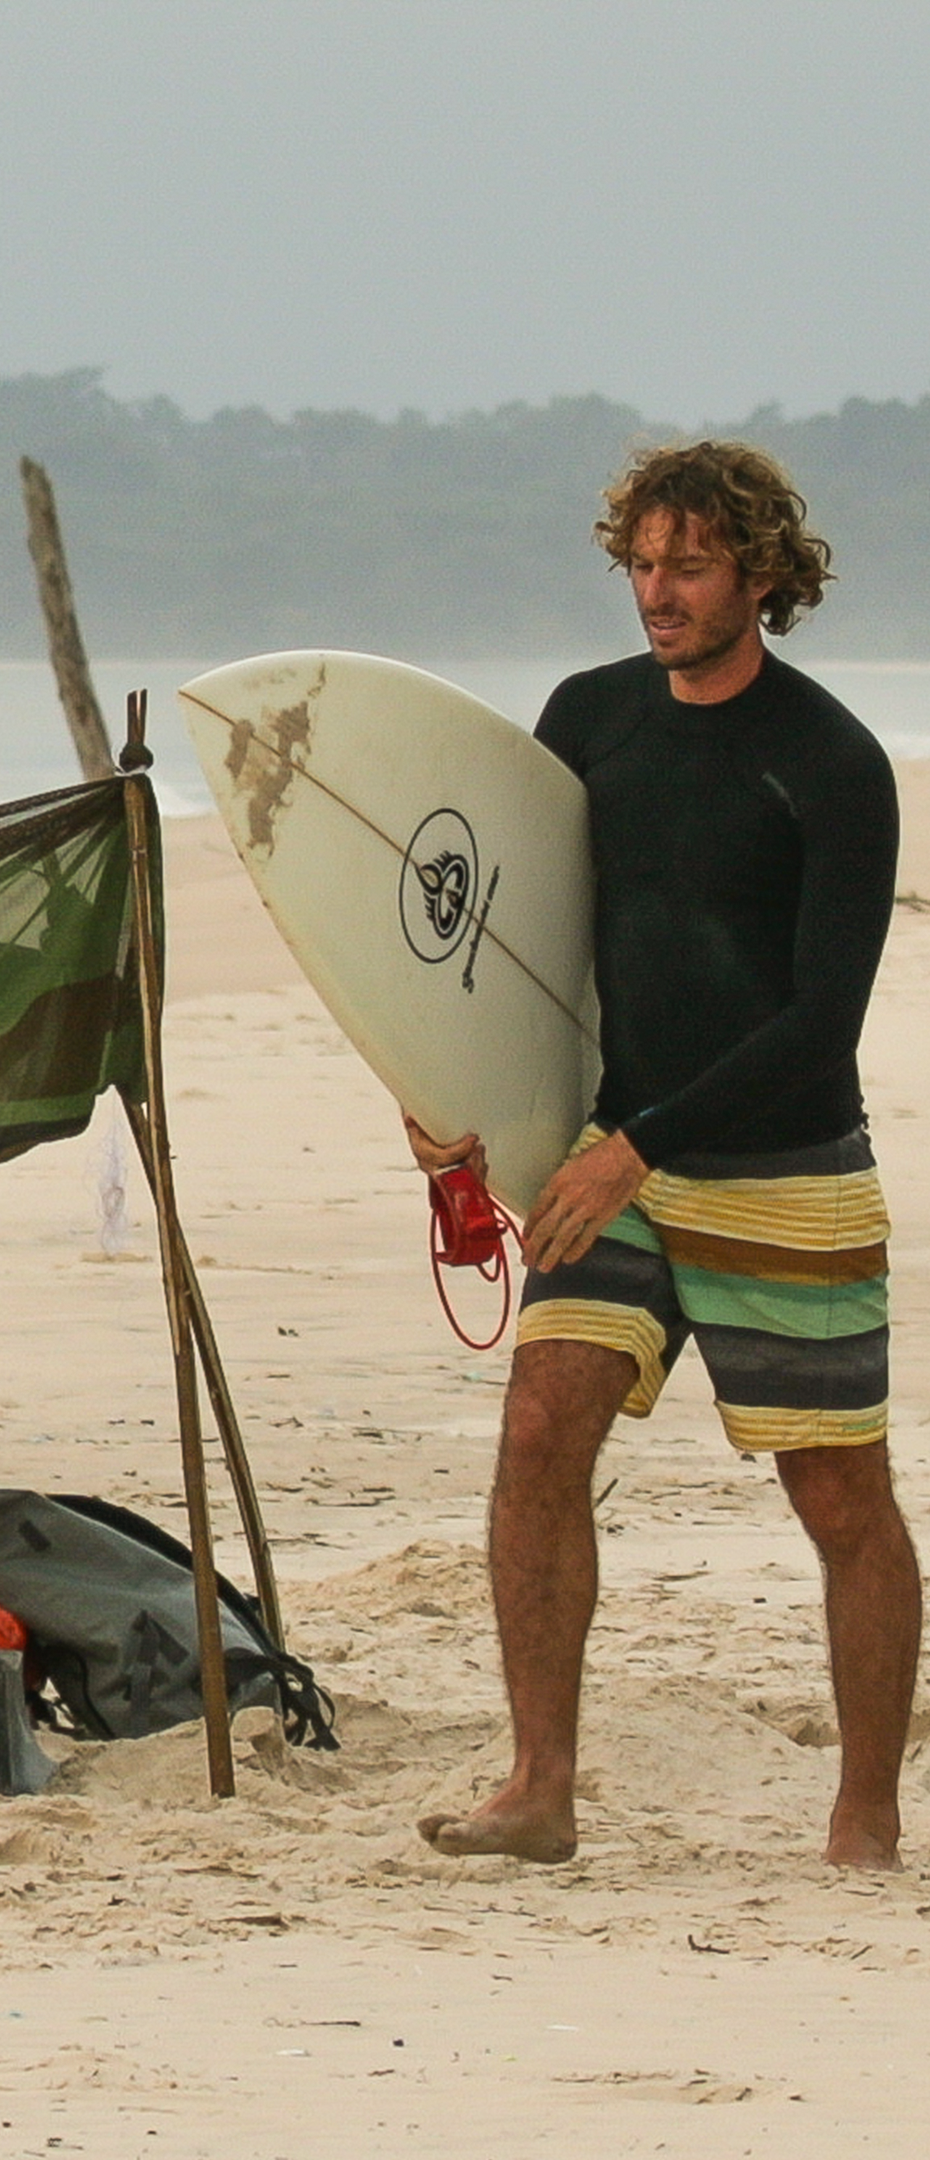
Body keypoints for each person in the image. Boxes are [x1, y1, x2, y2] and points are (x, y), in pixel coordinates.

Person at [410, 441, 914, 1870]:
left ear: (760, 573)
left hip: (781, 1169)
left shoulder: (827, 761)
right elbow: (511, 938)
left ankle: (866, 1816)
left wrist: (640, 1147)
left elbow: (823, 1022)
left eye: (689, 565)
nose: (657, 591)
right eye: (641, 561)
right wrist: (446, 1094)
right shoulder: (591, 719)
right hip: (610, 1157)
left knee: (838, 1493)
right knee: (537, 1432)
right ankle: (541, 1787)